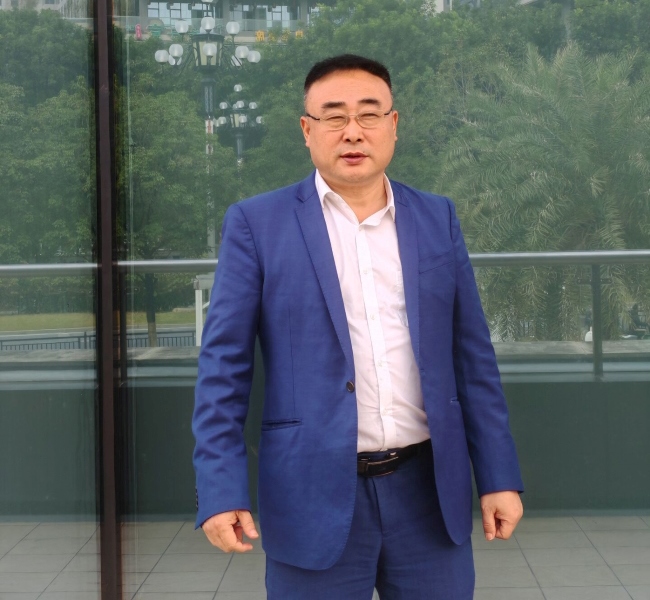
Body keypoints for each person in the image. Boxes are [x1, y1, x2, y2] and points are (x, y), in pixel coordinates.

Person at [193, 54, 524, 600]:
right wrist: (220, 489)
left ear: (393, 125)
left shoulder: (436, 217)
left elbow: (473, 359)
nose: (352, 131)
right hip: (310, 494)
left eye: (369, 114)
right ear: (307, 130)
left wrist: (498, 475)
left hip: (428, 494)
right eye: (333, 116)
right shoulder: (257, 223)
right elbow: (223, 370)